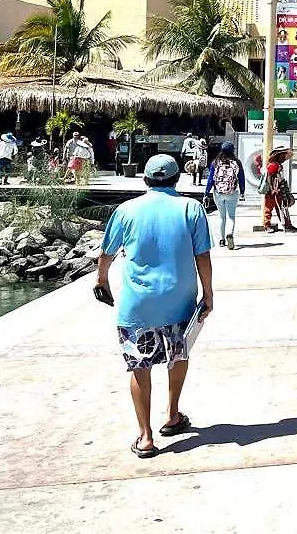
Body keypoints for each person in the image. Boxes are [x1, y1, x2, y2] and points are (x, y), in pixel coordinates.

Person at [96, 155, 214, 458]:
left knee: (140, 366)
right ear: (177, 179)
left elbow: (106, 253)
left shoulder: (126, 210)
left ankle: (146, 437)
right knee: (178, 355)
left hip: (138, 306)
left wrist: (102, 282)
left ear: (145, 179)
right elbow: (203, 255)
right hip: (180, 302)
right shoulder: (191, 208)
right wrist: (209, 294)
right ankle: (173, 415)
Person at [205, 142, 245, 250]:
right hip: (232, 193)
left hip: (218, 193)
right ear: (232, 151)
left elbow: (210, 179)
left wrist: (206, 192)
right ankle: (230, 234)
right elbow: (241, 178)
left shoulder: (215, 162)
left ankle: (222, 240)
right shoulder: (237, 162)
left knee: (221, 217)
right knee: (231, 216)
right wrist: (242, 191)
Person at [259, 147, 297, 232]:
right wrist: (273, 189)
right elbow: (270, 177)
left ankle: (287, 224)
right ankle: (267, 226)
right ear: (279, 156)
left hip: (278, 191)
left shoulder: (277, 165)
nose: (285, 158)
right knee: (269, 209)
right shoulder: (274, 165)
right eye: (283, 156)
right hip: (272, 192)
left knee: (281, 208)